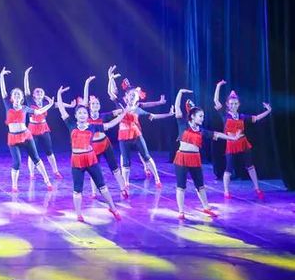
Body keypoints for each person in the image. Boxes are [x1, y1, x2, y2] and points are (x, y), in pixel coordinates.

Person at [56, 86, 127, 222]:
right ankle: (78, 214)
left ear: (87, 115)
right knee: (78, 189)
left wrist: (123, 115)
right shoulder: (71, 124)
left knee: (102, 185)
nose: (82, 115)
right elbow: (61, 109)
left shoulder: (93, 126)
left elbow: (110, 124)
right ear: (76, 115)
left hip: (91, 159)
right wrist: (59, 94)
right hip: (77, 161)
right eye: (80, 113)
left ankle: (112, 208)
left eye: (84, 113)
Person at [170, 88, 240, 220]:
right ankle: (181, 211)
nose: (202, 118)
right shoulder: (183, 124)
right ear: (193, 116)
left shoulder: (201, 131)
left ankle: (206, 207)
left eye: (203, 116)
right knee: (181, 186)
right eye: (200, 116)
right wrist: (180, 92)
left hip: (195, 159)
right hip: (182, 158)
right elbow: (177, 107)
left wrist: (232, 138)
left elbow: (217, 134)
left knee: (200, 185)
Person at [105, 65, 168, 189]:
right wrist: (110, 78)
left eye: (135, 94)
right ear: (126, 96)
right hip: (123, 136)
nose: (133, 96)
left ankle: (157, 178)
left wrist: (165, 109)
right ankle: (126, 183)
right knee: (125, 160)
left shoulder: (138, 107)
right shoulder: (121, 104)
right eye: (130, 94)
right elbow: (111, 92)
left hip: (136, 134)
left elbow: (151, 111)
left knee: (146, 156)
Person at [213, 80, 272, 199]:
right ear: (227, 105)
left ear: (238, 104)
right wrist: (218, 86)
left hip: (243, 143)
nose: (233, 106)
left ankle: (257, 188)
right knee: (229, 168)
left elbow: (256, 118)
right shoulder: (224, 115)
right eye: (231, 104)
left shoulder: (242, 116)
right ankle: (226, 191)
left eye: (235, 103)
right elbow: (216, 101)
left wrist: (268, 111)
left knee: (250, 165)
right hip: (231, 144)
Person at [0, 67, 54, 192]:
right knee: (17, 162)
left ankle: (47, 180)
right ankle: (14, 186)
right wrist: (1, 76)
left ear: (22, 98)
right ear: (12, 97)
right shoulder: (8, 105)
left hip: (26, 136)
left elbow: (38, 111)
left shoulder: (25, 108)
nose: (17, 95)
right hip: (13, 138)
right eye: (15, 94)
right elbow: (3, 91)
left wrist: (50, 105)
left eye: (19, 94)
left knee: (36, 158)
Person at [24, 67, 62, 182]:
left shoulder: (46, 103)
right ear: (34, 95)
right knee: (32, 153)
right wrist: (26, 75)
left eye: (41, 91)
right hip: (32, 129)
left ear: (44, 94)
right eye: (37, 92)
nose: (39, 93)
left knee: (49, 151)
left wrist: (70, 105)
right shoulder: (30, 101)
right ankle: (32, 173)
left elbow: (58, 104)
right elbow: (26, 88)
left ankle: (55, 171)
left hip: (44, 128)